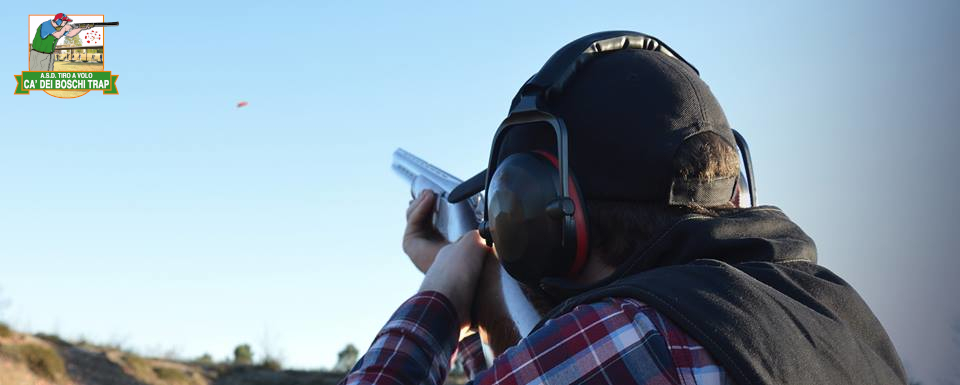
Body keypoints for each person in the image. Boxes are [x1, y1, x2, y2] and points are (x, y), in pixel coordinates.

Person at [341, 32, 907, 385]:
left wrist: (439, 296)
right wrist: (479, 323)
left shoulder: (642, 338)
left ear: (544, 223)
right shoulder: (835, 316)